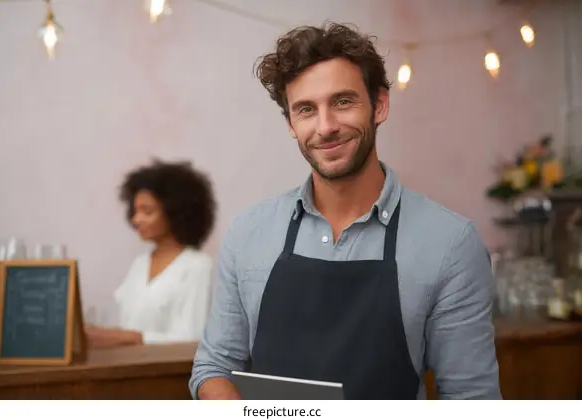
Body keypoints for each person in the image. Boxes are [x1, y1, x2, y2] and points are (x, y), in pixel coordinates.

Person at [190, 22, 501, 400]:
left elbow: (471, 399)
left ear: (379, 105)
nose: (326, 127)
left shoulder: (450, 244)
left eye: (343, 102)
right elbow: (214, 367)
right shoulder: (248, 233)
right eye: (306, 110)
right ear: (291, 124)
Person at [85, 160, 216, 348]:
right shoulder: (140, 263)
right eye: (135, 211)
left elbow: (192, 339)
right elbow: (124, 322)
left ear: (175, 213)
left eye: (147, 211)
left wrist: (132, 338)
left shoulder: (197, 266)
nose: (137, 219)